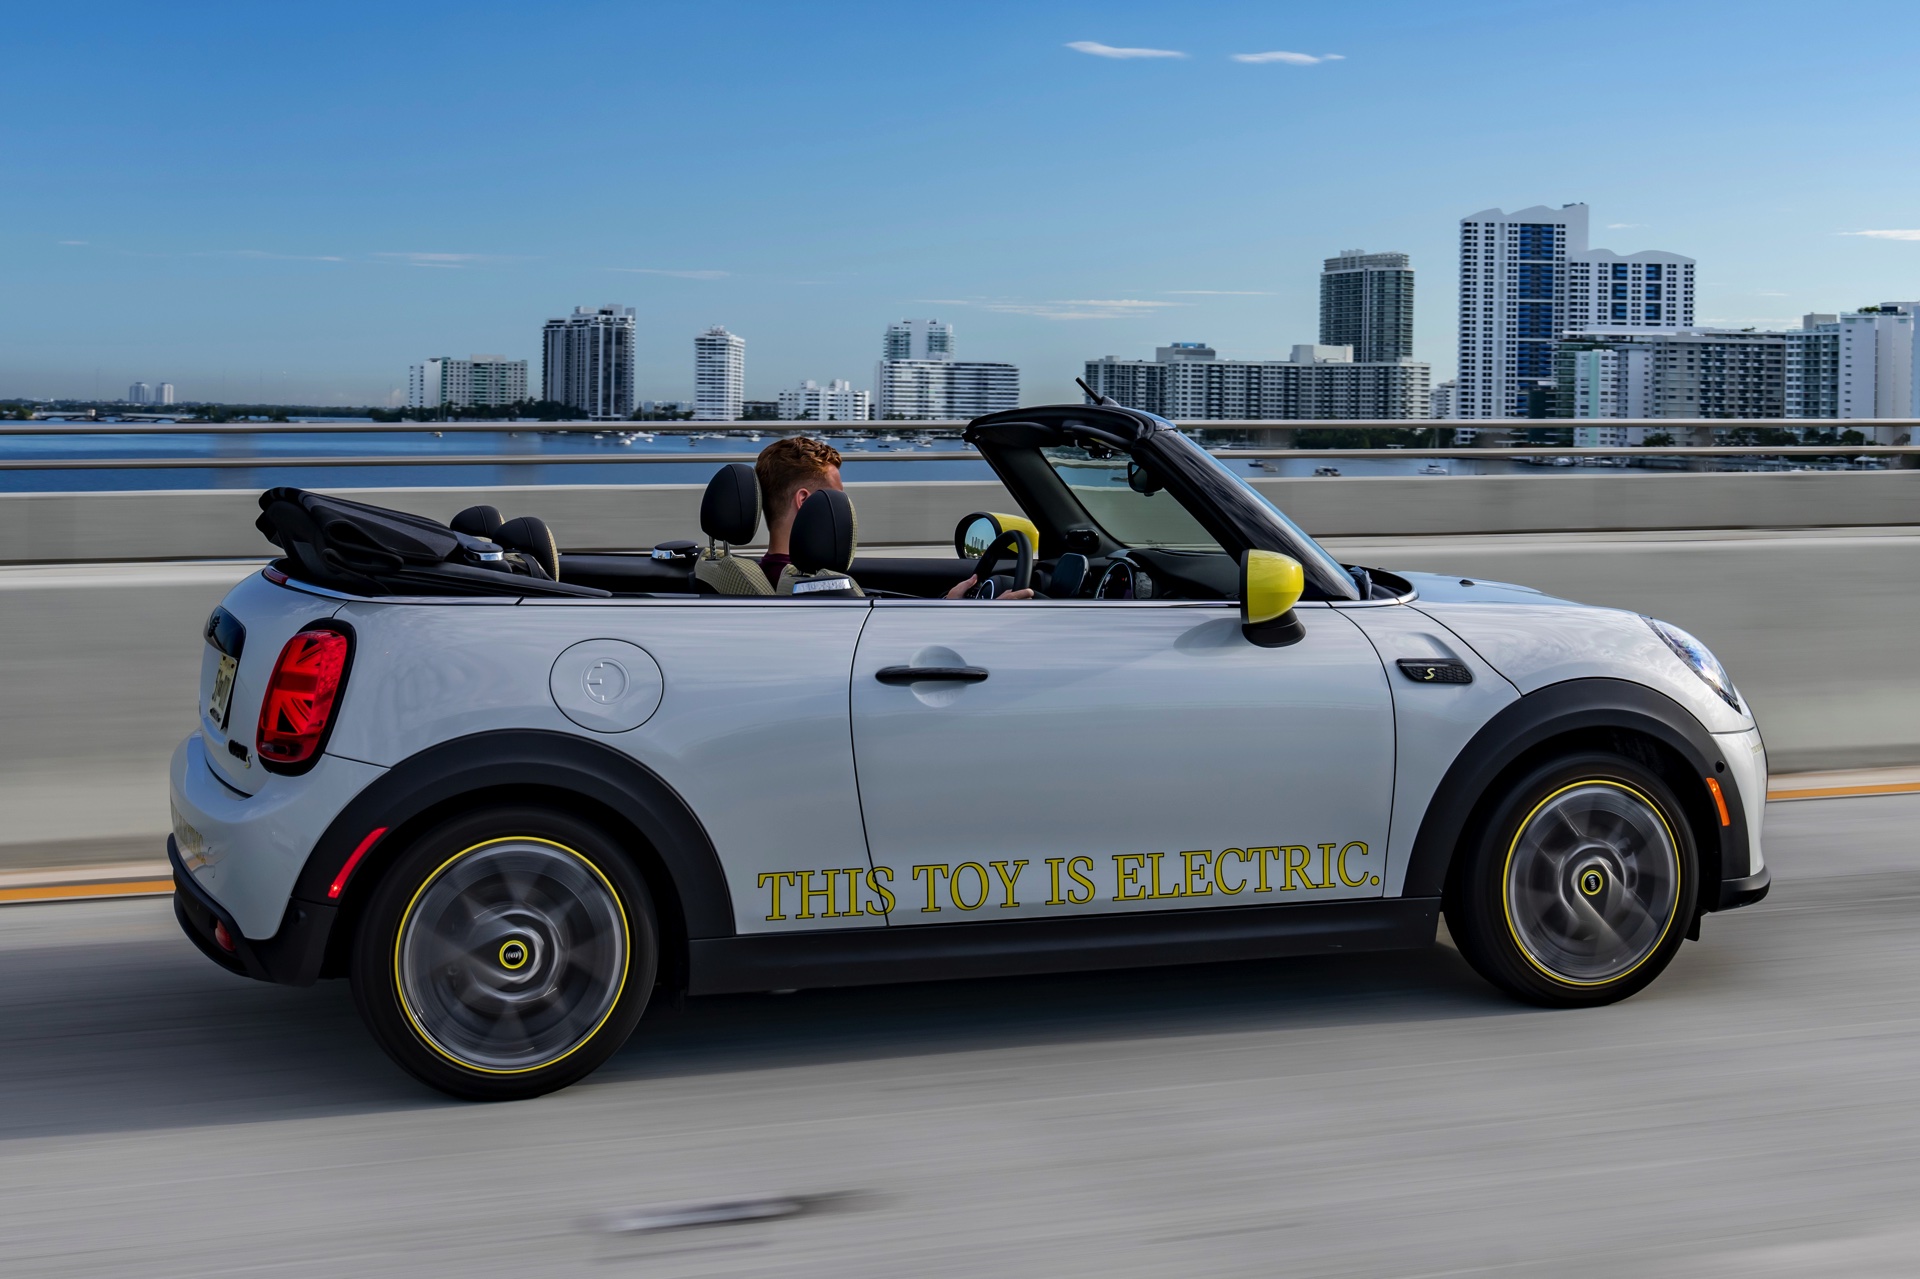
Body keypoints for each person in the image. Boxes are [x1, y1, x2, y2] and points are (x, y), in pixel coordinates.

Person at [754, 437, 1032, 599]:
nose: (845, 506)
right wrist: (986, 615)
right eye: (836, 498)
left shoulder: (763, 575)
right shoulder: (823, 590)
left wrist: (948, 603)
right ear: (805, 502)